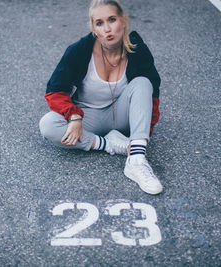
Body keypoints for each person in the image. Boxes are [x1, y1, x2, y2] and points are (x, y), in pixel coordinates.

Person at [39, 0, 163, 194]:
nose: (107, 29)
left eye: (112, 20)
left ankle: (137, 160)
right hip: (88, 117)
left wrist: (145, 131)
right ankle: (110, 144)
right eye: (99, 23)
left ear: (123, 21)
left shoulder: (137, 51)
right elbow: (55, 91)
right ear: (93, 28)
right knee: (48, 125)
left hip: (123, 116)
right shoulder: (79, 51)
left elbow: (152, 97)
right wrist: (74, 117)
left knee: (143, 83)